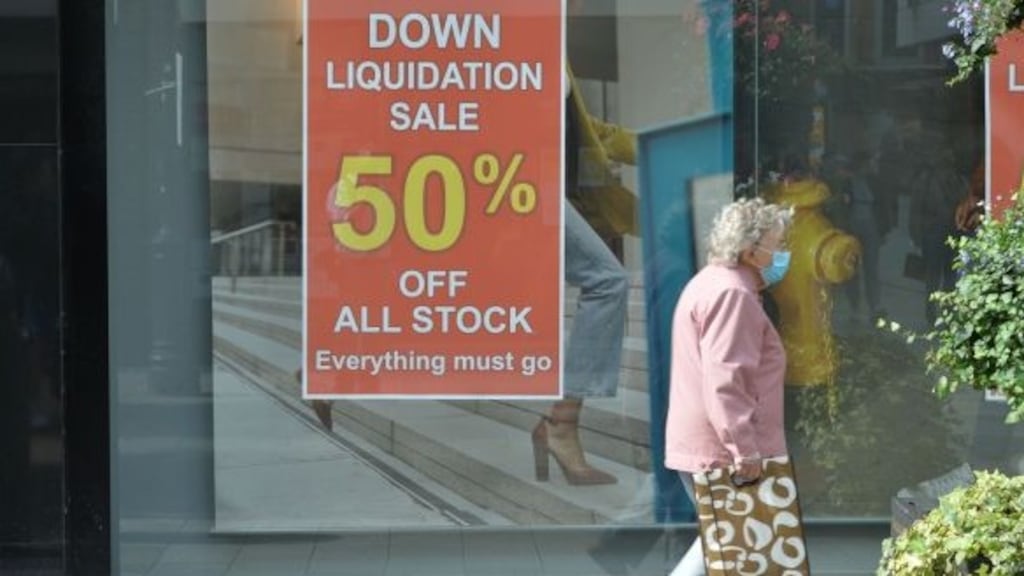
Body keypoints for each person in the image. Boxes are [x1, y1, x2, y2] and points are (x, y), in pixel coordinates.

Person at [664, 197, 793, 575]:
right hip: (724, 451)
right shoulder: (733, 295)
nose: (783, 252)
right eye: (778, 243)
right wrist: (745, 452)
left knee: (724, 545)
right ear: (752, 250)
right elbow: (726, 382)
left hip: (711, 444)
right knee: (730, 545)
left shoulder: (714, 283)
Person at [530, 64, 634, 486]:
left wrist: (649, 146)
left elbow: (584, 128)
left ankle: (333, 370)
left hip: (525, 183)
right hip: (509, 180)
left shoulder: (552, 46)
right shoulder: (510, 27)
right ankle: (560, 426)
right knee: (608, 280)